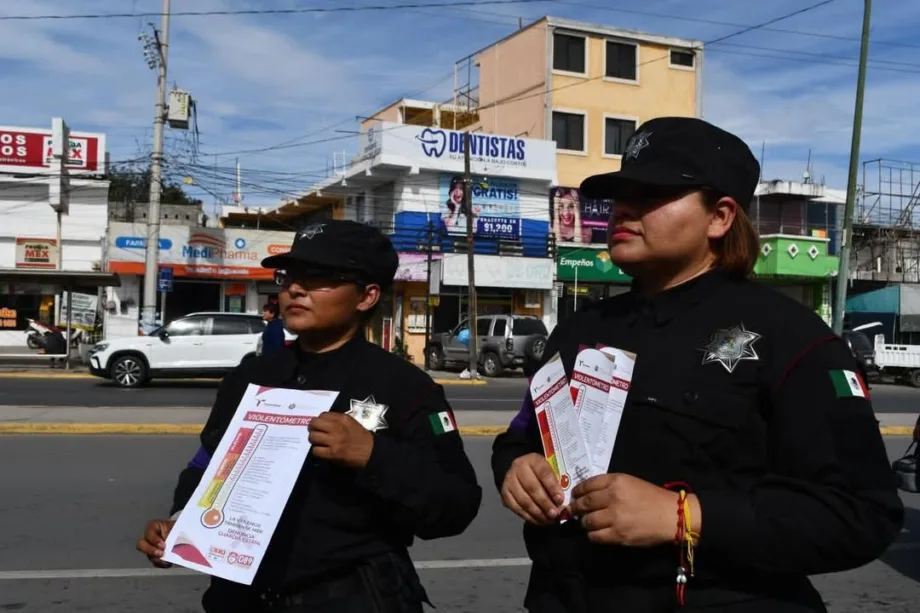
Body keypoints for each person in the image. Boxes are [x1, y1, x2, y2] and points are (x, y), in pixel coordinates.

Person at [491, 117, 904, 612]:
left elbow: (862, 515)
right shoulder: (581, 330)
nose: (623, 209)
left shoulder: (792, 339)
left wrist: (685, 515)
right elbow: (523, 433)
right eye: (620, 195)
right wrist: (517, 467)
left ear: (720, 217)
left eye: (652, 194)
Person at [137, 220, 482, 613]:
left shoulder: (406, 388)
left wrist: (374, 456)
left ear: (366, 296)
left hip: (354, 596)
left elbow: (456, 505)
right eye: (289, 276)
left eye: (318, 278)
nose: (294, 289)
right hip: (241, 598)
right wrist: (179, 521)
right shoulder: (250, 376)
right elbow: (206, 466)